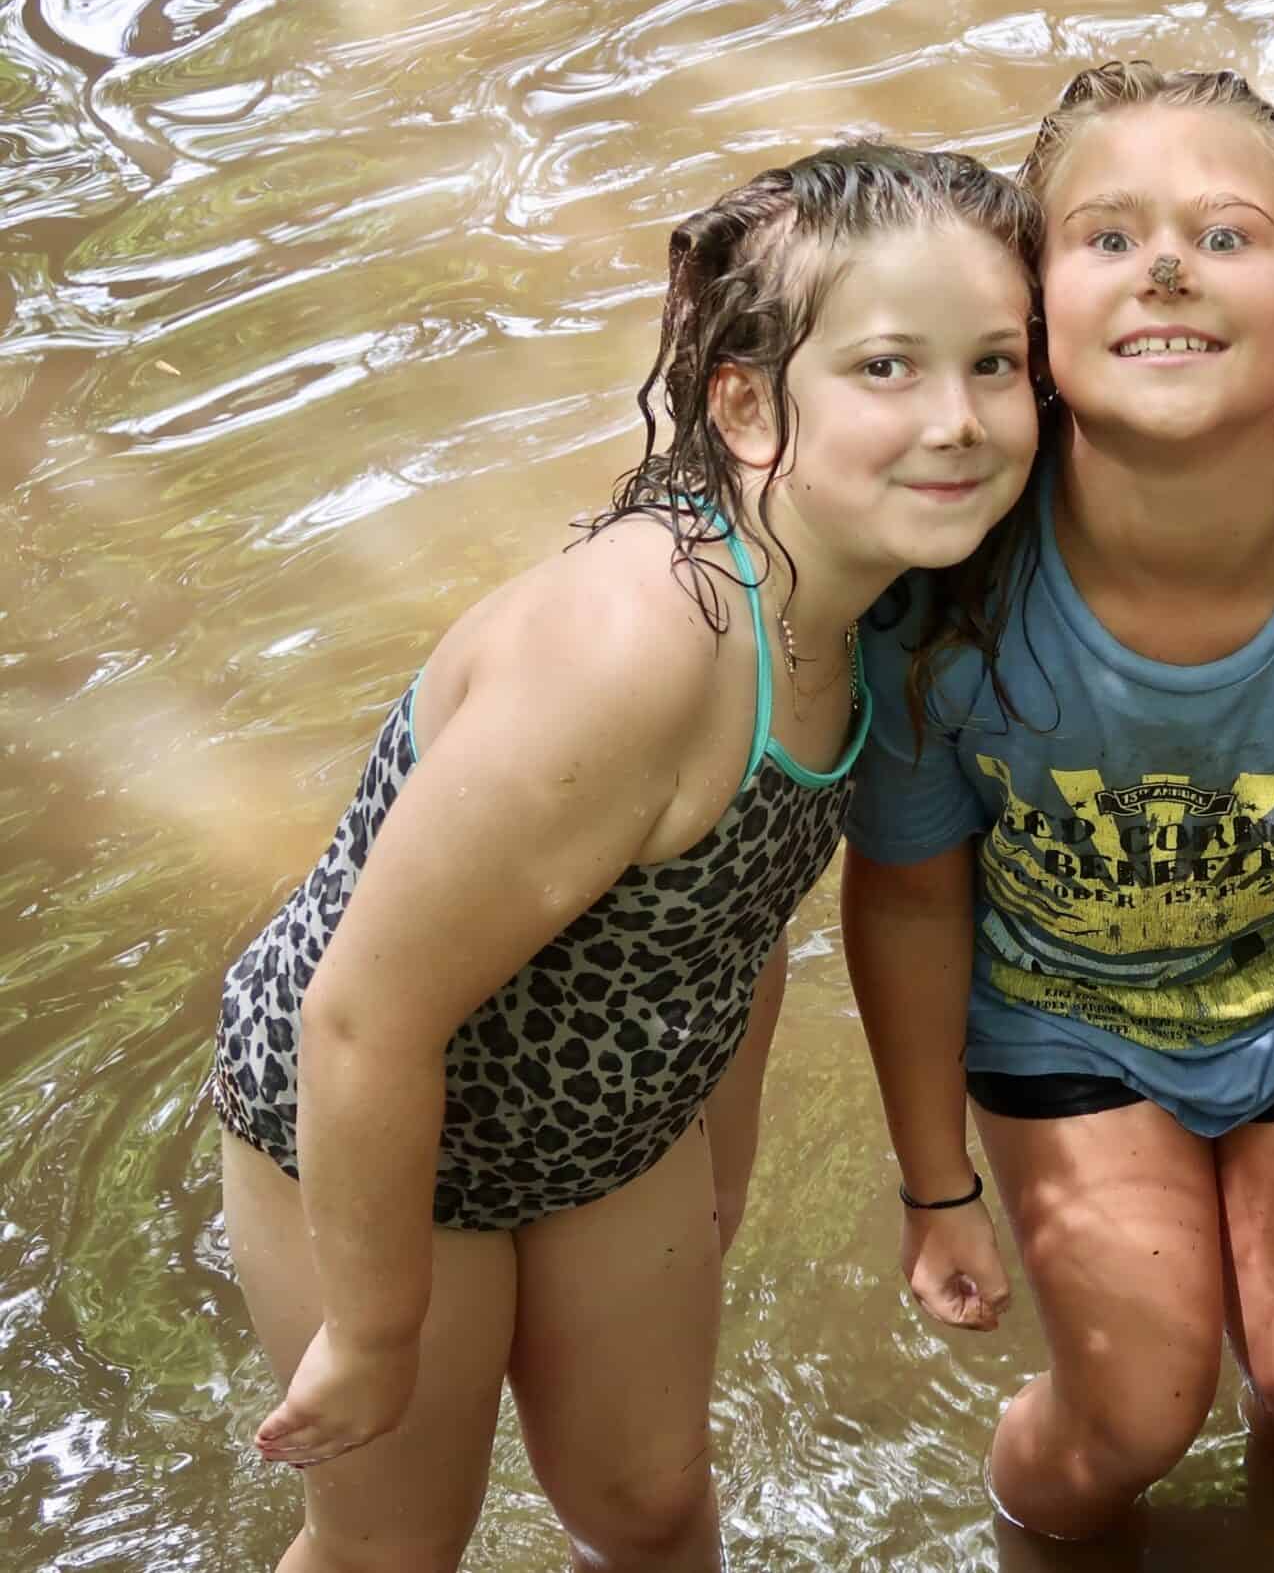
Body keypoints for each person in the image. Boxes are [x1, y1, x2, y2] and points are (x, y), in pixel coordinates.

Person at [208, 140, 1045, 1572]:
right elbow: (364, 1012)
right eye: (889, 369)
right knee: (393, 1544)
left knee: (650, 1509)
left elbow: (734, 924)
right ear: (748, 407)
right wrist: (375, 1327)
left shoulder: (867, 613)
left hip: (611, 1121)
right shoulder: (643, 649)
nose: (959, 420)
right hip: (375, 1126)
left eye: (997, 364)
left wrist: (723, 1150)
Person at [840, 61, 1274, 1544]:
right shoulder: (934, 603)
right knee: (1135, 1414)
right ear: (1031, 316)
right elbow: (905, 893)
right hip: (1059, 1014)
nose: (1162, 266)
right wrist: (933, 1183)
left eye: (1224, 237)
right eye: (1105, 237)